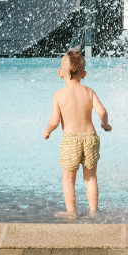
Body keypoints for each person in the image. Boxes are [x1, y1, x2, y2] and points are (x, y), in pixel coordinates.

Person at [43, 51, 111, 218]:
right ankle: (94, 212)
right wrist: (105, 124)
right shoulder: (89, 92)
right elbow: (102, 111)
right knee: (90, 178)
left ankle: (71, 213)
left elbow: (54, 121)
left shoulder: (58, 95)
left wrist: (47, 131)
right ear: (84, 74)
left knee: (68, 180)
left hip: (71, 140)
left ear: (60, 73)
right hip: (90, 137)